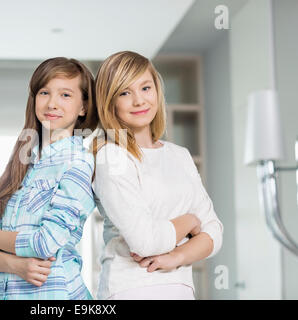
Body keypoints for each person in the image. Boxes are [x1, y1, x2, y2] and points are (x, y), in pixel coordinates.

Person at [92, 51, 223, 300]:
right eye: (125, 93)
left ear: (157, 90)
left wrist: (176, 257)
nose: (139, 100)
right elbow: (145, 242)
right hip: (132, 289)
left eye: (145, 88)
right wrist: (190, 221)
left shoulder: (180, 155)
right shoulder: (112, 156)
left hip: (181, 288)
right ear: (110, 102)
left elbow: (214, 233)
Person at [0, 57, 98, 300]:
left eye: (65, 95)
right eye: (44, 92)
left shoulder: (78, 163)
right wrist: (15, 265)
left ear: (83, 107)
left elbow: (45, 243)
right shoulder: (20, 166)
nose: (52, 103)